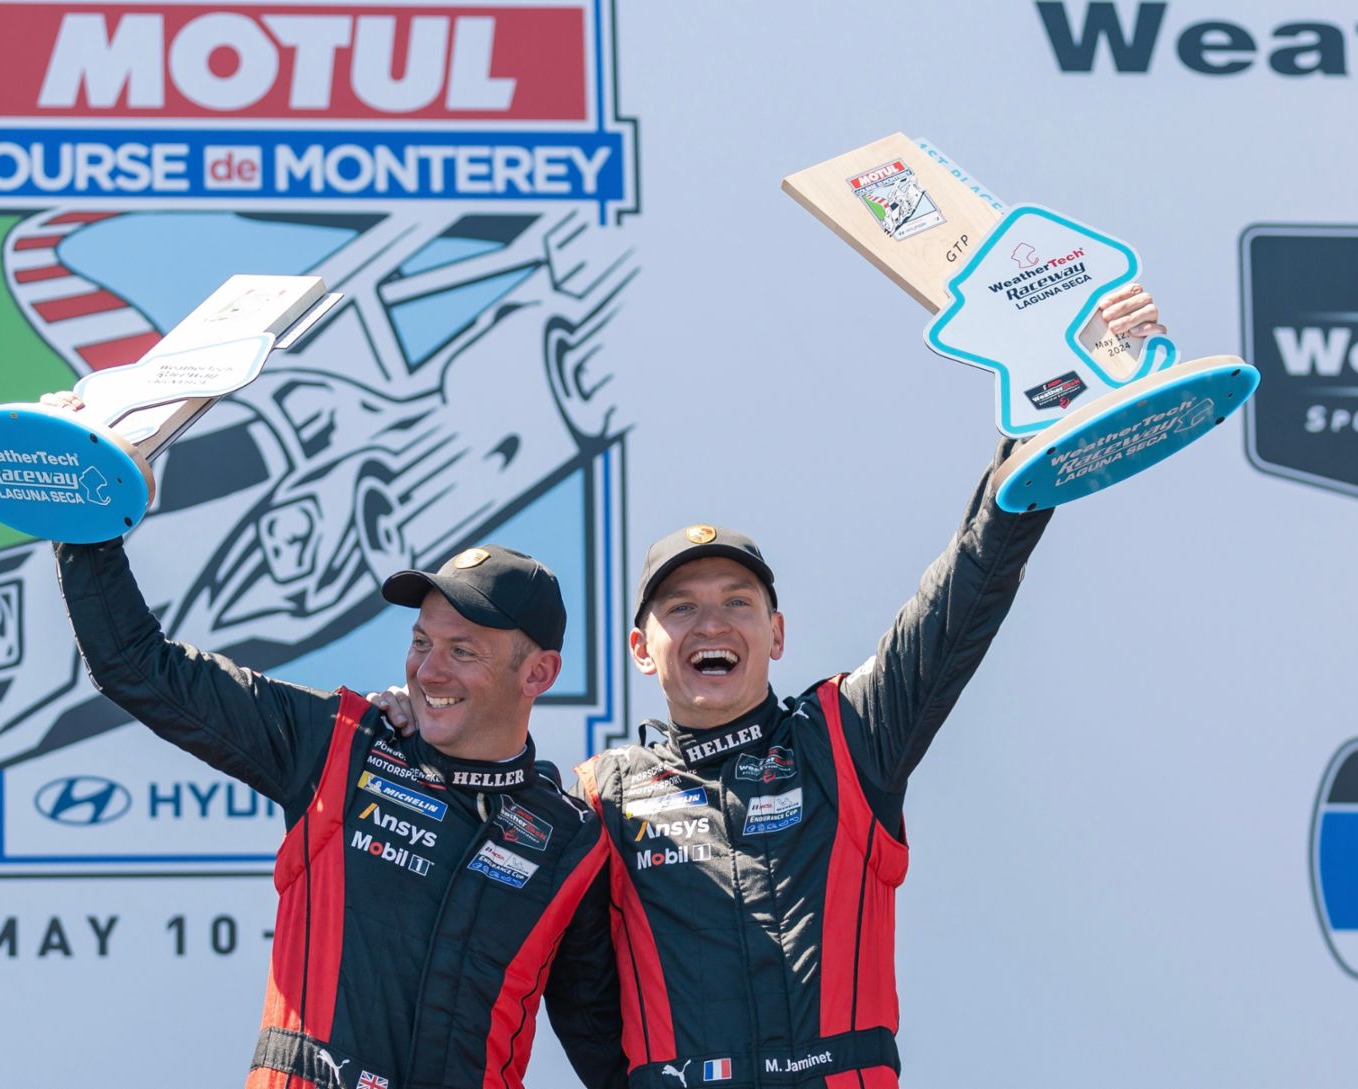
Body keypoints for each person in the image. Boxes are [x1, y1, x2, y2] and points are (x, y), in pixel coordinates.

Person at [374, 286, 1166, 1086]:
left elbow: (965, 593)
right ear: (642, 649)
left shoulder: (846, 738)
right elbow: (574, 992)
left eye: (737, 603)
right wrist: (403, 732)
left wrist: (1050, 389)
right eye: (680, 608)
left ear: (776, 633)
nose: (710, 625)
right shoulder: (596, 799)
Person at [45, 394, 625, 1089]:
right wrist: (82, 513)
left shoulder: (569, 838)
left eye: (462, 650)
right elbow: (136, 666)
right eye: (421, 642)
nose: (428, 670)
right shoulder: (338, 743)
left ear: (537, 674)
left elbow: (606, 1047)